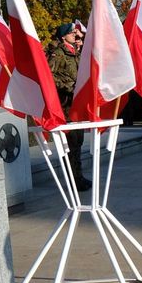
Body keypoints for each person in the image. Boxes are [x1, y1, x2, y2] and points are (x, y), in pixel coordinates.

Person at [46, 22, 91, 191]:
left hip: (76, 104)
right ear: (63, 36)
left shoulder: (75, 54)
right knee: (70, 143)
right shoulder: (58, 54)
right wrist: (68, 86)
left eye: (75, 33)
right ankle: (73, 180)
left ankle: (78, 177)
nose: (75, 35)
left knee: (78, 142)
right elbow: (49, 77)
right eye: (72, 33)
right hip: (65, 104)